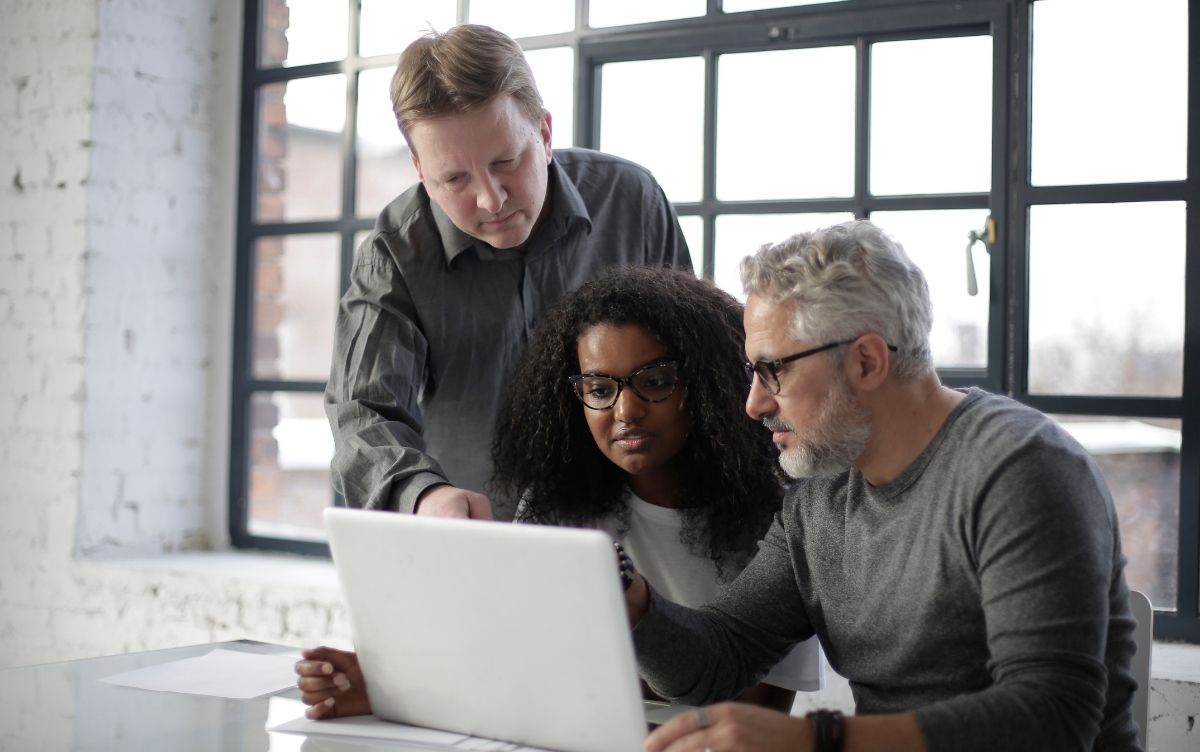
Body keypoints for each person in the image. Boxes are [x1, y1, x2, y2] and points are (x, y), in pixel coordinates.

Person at [628, 220, 1140, 752]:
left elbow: (1052, 717)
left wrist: (815, 740)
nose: (754, 403)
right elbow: (721, 655)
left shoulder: (1021, 467)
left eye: (773, 371)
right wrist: (630, 598)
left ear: (866, 361)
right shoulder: (821, 493)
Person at [296, 266, 822, 719]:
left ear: (708, 384)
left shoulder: (776, 520)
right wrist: (391, 689)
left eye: (656, 381)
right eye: (599, 388)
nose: (625, 410)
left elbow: (753, 717)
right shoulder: (558, 506)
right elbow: (508, 657)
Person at [326, 24, 692, 523]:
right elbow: (362, 412)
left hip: (643, 530)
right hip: (476, 538)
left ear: (543, 132)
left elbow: (694, 364)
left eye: (506, 161)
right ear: (418, 168)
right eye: (454, 178)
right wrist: (423, 494)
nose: (490, 199)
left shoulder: (633, 200)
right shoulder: (394, 251)